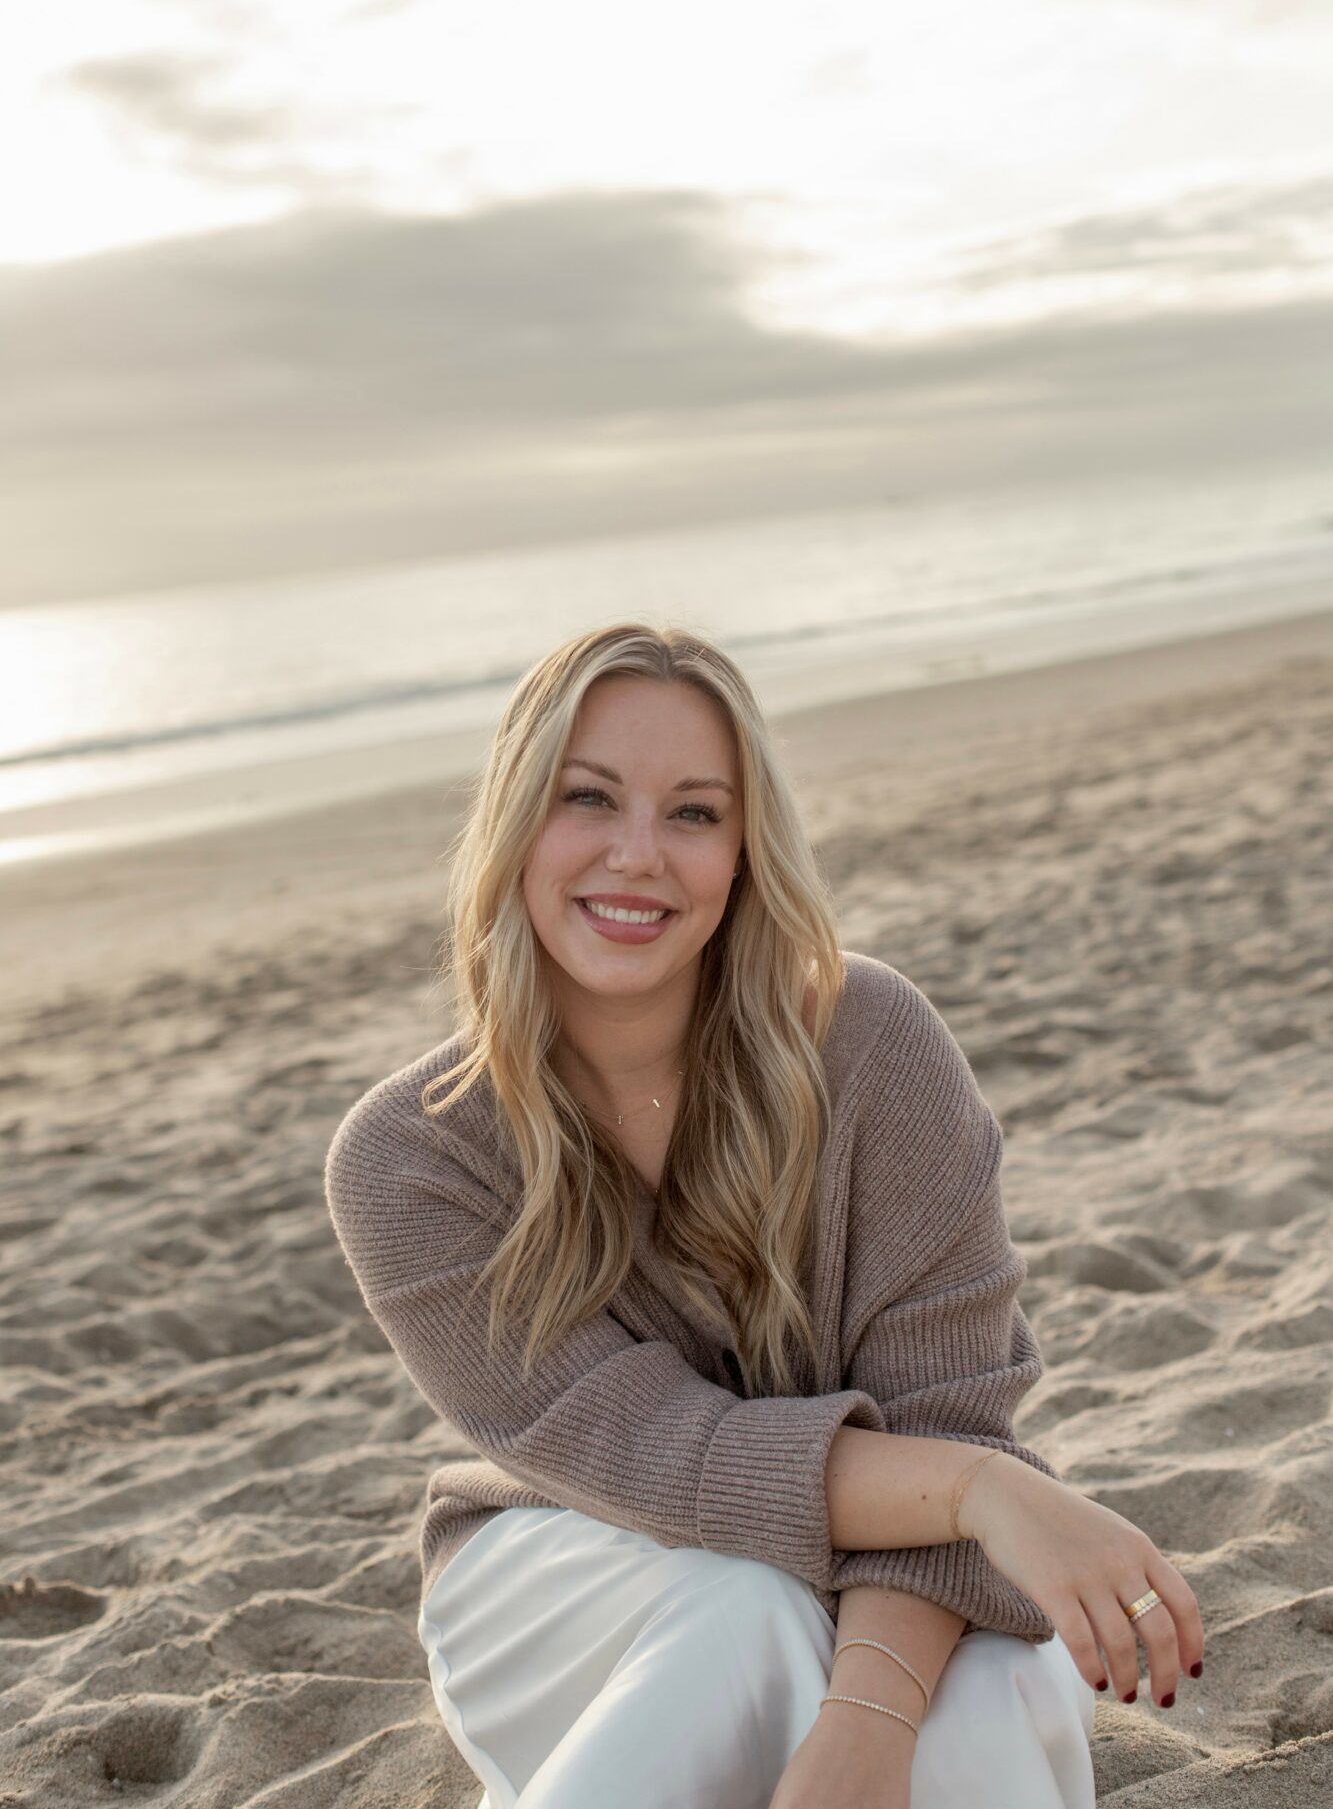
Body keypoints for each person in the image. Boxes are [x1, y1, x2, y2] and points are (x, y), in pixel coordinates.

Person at [324, 622, 1204, 1809]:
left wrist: (869, 1718)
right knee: (741, 1603)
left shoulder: (874, 1045)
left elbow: (948, 1410)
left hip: (905, 1561)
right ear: (516, 823)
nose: (638, 855)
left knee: (982, 1696)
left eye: (694, 812)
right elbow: (671, 1461)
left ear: (744, 853)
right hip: (566, 1566)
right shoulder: (410, 1159)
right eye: (589, 798)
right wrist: (987, 1492)